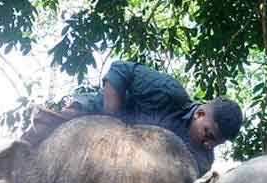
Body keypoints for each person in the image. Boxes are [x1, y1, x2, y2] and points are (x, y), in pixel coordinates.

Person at [23, 60, 243, 175]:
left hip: (133, 165)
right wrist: (112, 124)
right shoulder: (168, 92)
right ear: (200, 114)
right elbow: (120, 70)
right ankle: (17, 153)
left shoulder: (203, 160)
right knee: (52, 127)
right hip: (99, 114)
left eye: (215, 142)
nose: (208, 144)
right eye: (208, 134)